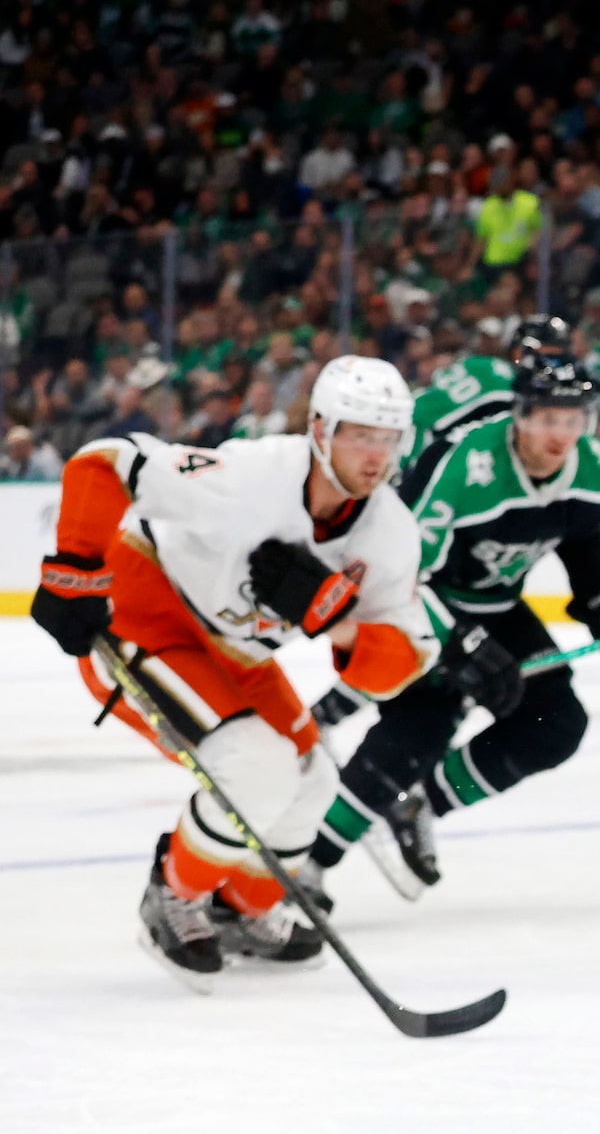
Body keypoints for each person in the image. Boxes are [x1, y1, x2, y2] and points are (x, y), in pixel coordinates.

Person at [24, 357, 434, 985]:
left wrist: (337, 622)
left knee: (313, 776)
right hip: (146, 614)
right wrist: (76, 570)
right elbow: (107, 460)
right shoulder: (254, 474)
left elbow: (401, 661)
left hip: (232, 650)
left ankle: (241, 907)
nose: (375, 455)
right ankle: (174, 892)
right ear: (321, 430)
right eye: (359, 433)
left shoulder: (389, 534)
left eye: (387, 438)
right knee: (253, 763)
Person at [308, 355, 600, 896]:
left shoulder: (595, 466)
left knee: (556, 724)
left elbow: (585, 562)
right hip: (424, 606)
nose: (561, 435)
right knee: (418, 728)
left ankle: (427, 800)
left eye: (573, 420)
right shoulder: (466, 462)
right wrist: (460, 642)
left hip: (498, 608)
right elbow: (405, 571)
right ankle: (309, 864)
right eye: (547, 419)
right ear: (519, 414)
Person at [401, 314, 576, 487]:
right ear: (518, 353)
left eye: (559, 358)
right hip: (414, 450)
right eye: (548, 356)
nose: (552, 366)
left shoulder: (480, 365)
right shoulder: (502, 384)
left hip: (409, 433)